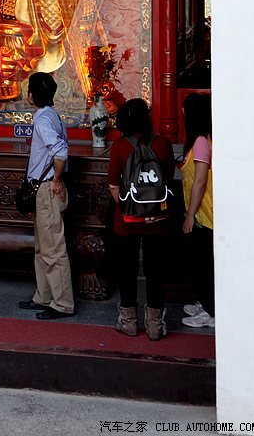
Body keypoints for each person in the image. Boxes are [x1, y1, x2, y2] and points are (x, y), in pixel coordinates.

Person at [107, 98, 175, 340]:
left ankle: (128, 322)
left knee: (126, 270)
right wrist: (151, 209)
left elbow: (114, 186)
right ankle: (155, 325)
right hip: (158, 221)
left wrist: (130, 208)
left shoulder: (120, 146)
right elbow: (166, 179)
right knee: (156, 271)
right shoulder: (164, 144)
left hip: (127, 222)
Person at [17, 72, 75, 320]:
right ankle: (44, 296)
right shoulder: (51, 116)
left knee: (53, 249)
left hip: (47, 190)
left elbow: (60, 151)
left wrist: (57, 180)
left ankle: (62, 303)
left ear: (31, 95)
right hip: (42, 189)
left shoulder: (42, 120)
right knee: (43, 247)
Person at [180, 92, 214, 329]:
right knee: (203, 262)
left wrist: (190, 214)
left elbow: (200, 181)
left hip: (204, 214)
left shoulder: (201, 142)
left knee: (204, 264)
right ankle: (207, 303)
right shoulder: (204, 139)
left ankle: (211, 312)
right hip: (203, 212)